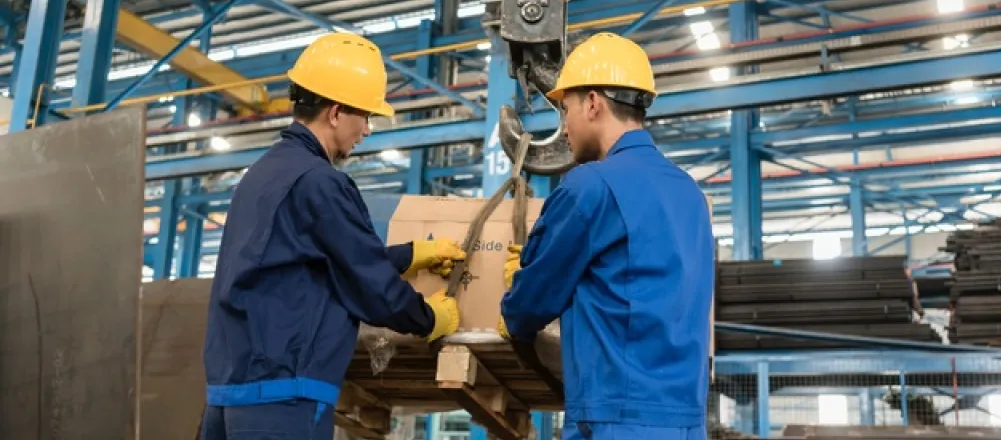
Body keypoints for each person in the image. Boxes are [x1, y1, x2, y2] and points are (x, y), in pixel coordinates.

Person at [200, 33, 466, 440]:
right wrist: (428, 319)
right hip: (284, 397)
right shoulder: (321, 183)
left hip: (229, 395)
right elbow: (369, 286)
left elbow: (315, 261)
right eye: (366, 117)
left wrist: (410, 254)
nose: (367, 130)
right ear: (337, 112)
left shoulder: (263, 175)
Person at [498, 32, 715, 440]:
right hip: (687, 424)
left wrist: (518, 286)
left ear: (593, 102)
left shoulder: (590, 187)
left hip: (614, 421)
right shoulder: (691, 194)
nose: (564, 129)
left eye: (566, 110)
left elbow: (527, 309)